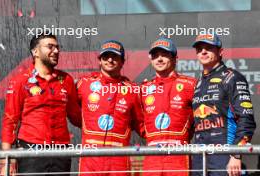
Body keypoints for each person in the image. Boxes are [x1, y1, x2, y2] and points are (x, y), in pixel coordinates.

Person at [1, 32, 82, 176]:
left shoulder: (67, 79)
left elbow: (76, 116)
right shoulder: (20, 80)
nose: (56, 51)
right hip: (31, 150)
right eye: (50, 47)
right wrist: (7, 160)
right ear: (35, 52)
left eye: (57, 47)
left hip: (61, 150)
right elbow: (10, 120)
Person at [191, 33, 256, 176]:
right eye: (199, 48)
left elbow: (246, 119)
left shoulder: (232, 77)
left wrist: (236, 154)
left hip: (224, 154)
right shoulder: (198, 83)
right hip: (199, 157)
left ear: (220, 52)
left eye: (208, 48)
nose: (203, 51)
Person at [77, 40, 144, 176]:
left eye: (114, 57)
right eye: (105, 56)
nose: (110, 60)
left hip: (118, 159)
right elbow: (69, 110)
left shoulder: (132, 90)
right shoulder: (84, 84)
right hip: (90, 159)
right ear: (99, 60)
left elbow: (142, 125)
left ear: (122, 61)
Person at [140, 37, 196, 176]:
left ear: (175, 58)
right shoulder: (143, 88)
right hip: (152, 155)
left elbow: (200, 118)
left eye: (164, 54)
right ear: (151, 59)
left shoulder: (190, 84)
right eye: (155, 55)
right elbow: (138, 120)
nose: (159, 59)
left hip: (179, 155)